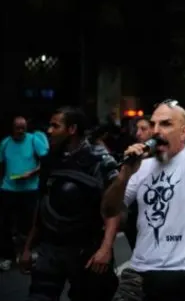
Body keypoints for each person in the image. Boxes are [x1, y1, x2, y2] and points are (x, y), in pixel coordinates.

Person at [102, 99, 185, 301]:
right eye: (153, 124)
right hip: (139, 273)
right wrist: (124, 175)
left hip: (183, 273)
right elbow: (109, 210)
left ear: (184, 132)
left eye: (166, 124)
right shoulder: (141, 166)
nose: (156, 130)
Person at [21, 107, 120, 301]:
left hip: (86, 250)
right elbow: (41, 204)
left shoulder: (99, 161)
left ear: (72, 129)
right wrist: (27, 247)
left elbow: (112, 209)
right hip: (50, 249)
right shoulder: (50, 160)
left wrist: (105, 248)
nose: (49, 131)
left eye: (55, 126)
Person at [0, 116, 49, 271]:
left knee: (29, 223)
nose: (21, 131)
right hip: (8, 188)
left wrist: (33, 172)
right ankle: (7, 255)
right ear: (12, 128)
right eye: (18, 128)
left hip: (30, 189)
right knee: (4, 224)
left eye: (23, 128)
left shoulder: (34, 140)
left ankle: (27, 254)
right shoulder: (5, 143)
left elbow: (47, 161)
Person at [123, 116, 154, 251]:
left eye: (143, 129)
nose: (138, 133)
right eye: (137, 129)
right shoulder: (135, 155)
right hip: (135, 214)